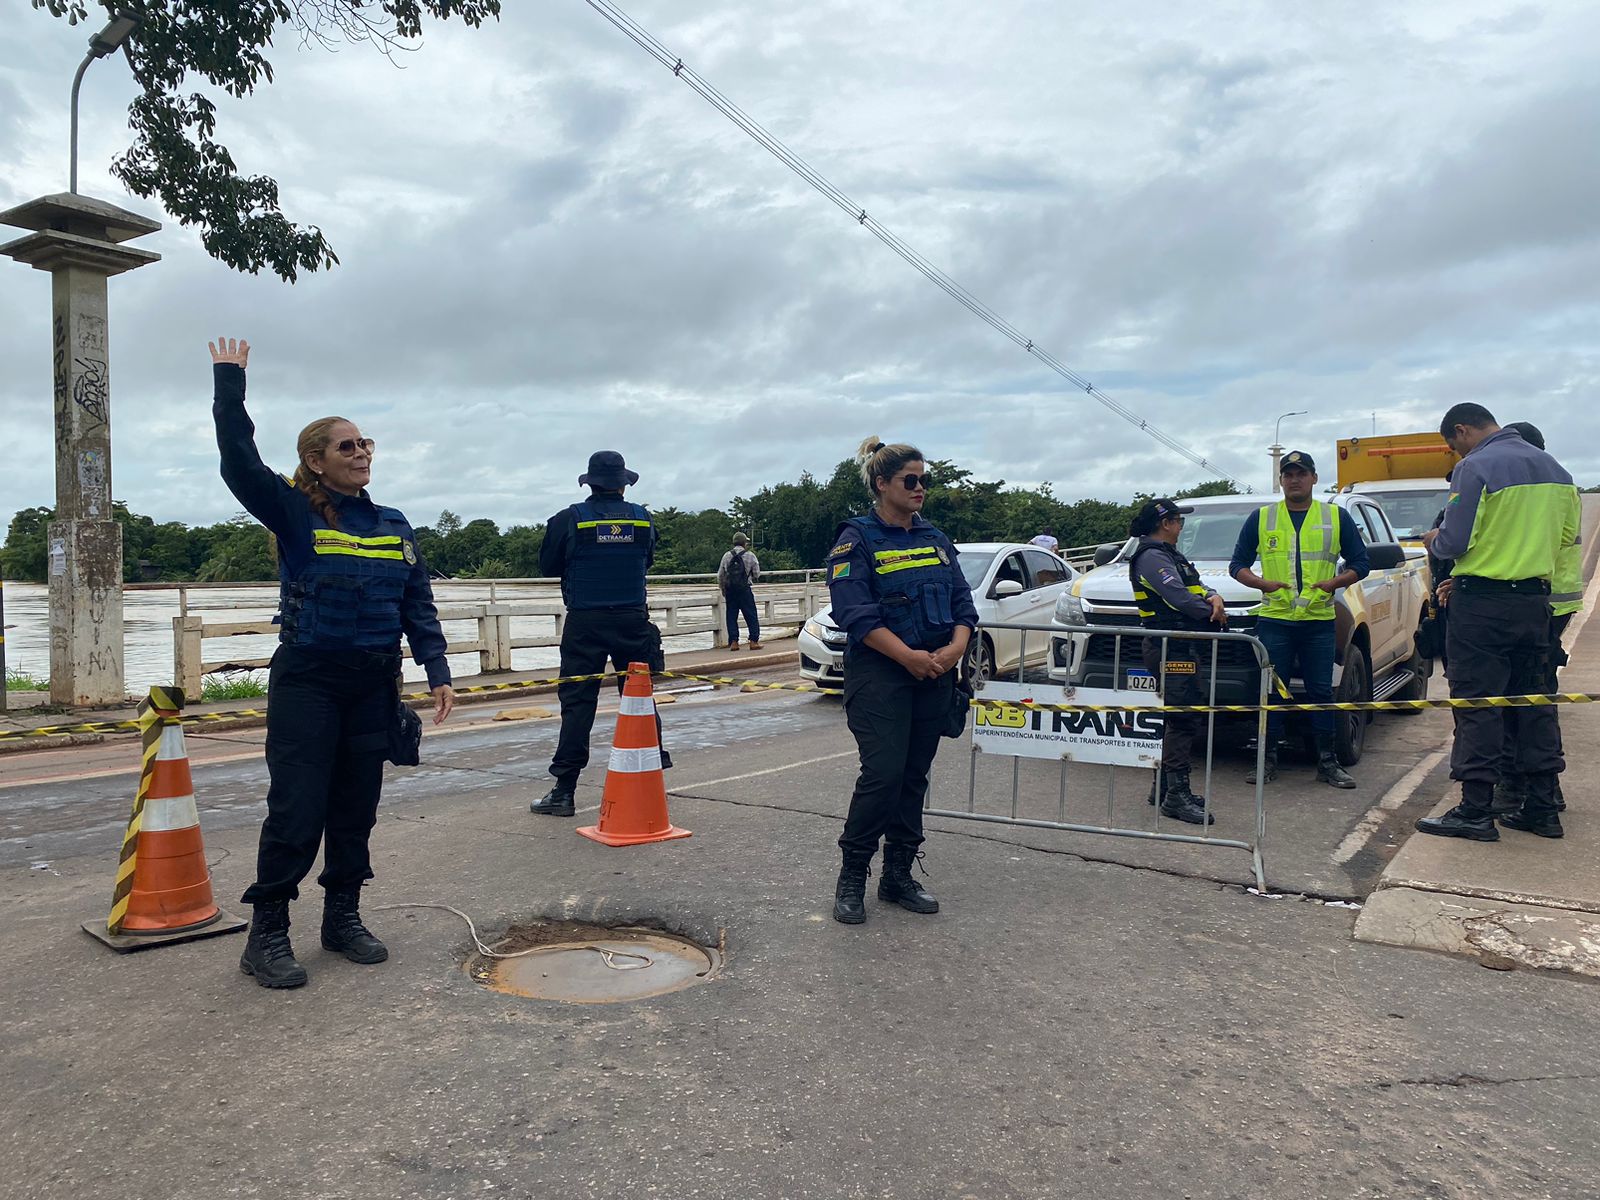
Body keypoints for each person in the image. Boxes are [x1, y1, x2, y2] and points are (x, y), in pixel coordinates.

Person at [210, 336, 456, 990]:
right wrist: (229, 384)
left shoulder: (394, 523)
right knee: (297, 806)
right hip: (310, 680)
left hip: (372, 682)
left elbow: (417, 600)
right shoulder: (293, 512)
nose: (362, 452)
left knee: (355, 805)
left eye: (366, 442)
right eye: (347, 446)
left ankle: (341, 917)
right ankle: (267, 933)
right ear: (316, 463)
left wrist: (436, 669)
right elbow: (238, 460)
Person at [826, 438, 978, 925]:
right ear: (882, 484)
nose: (920, 488)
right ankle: (853, 876)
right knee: (883, 775)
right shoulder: (856, 540)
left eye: (923, 480)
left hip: (934, 673)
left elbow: (962, 603)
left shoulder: (934, 539)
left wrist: (956, 648)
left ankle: (897, 876)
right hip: (882, 676)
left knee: (914, 778)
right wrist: (908, 657)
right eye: (909, 480)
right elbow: (855, 613)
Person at [1418, 407, 1580, 841]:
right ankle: (1543, 808)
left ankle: (1475, 810)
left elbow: (1453, 541)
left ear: (1462, 430)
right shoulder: (1557, 471)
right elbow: (1566, 539)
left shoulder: (1475, 467)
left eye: (1454, 445)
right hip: (1534, 603)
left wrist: (1433, 539)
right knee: (1535, 704)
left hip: (1482, 608)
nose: (1456, 453)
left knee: (1477, 705)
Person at [532, 451, 670, 817]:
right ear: (624, 483)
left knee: (577, 703)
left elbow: (548, 567)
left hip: (585, 623)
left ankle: (564, 791)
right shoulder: (644, 519)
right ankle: (652, 778)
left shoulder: (569, 520)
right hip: (631, 619)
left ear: (589, 482)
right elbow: (648, 560)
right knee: (638, 699)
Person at [1229, 450, 1369, 788]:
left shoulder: (1335, 516)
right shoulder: (1262, 517)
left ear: (1314, 478)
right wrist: (1261, 584)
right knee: (1272, 692)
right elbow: (1238, 566)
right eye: (1288, 474)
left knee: (1321, 691)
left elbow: (1361, 563)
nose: (1295, 479)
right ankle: (1267, 760)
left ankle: (1327, 762)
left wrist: (1334, 583)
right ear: (1281, 480)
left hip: (1319, 621)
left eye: (1301, 473)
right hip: (1275, 620)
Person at [1492, 423, 1581, 816]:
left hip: (1535, 604)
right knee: (1539, 699)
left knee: (1517, 700)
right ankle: (1546, 789)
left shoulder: (1530, 490)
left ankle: (1516, 785)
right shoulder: (1563, 483)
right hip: (1557, 605)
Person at [1128, 498, 1227, 824]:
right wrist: (1211, 614)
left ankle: (1165, 787)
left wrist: (1213, 595)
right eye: (1178, 521)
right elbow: (1179, 597)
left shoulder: (1168, 555)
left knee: (1177, 717)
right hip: (1170, 647)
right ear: (1166, 523)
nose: (1181, 526)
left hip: (1180, 646)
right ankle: (1176, 796)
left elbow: (1195, 585)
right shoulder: (1153, 557)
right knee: (1182, 719)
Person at [717, 533, 763, 650]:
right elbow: (757, 574)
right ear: (744, 543)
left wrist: (723, 589)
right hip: (744, 589)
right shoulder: (750, 556)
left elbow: (720, 575)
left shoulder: (727, 556)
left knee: (731, 616)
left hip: (730, 590)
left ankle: (734, 642)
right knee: (751, 615)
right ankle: (753, 641)